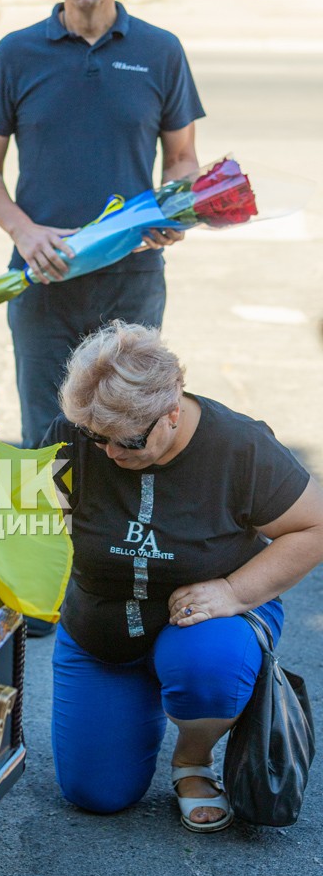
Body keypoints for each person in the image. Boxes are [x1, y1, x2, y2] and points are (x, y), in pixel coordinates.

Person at [44, 321, 323, 831]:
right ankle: (133, 699)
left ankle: (193, 759)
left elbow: (314, 526)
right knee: (96, 794)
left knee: (206, 667)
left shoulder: (239, 446)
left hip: (206, 621)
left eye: (125, 440)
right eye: (95, 437)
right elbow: (33, 524)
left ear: (171, 412)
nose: (108, 452)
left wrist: (235, 591)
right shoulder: (79, 433)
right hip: (101, 627)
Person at [0, 0, 205, 452]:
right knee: (47, 441)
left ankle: (111, 539)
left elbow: (183, 156)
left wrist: (178, 209)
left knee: (131, 437)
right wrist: (23, 232)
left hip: (133, 275)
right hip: (42, 278)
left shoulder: (160, 51)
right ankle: (52, 535)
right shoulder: (17, 53)